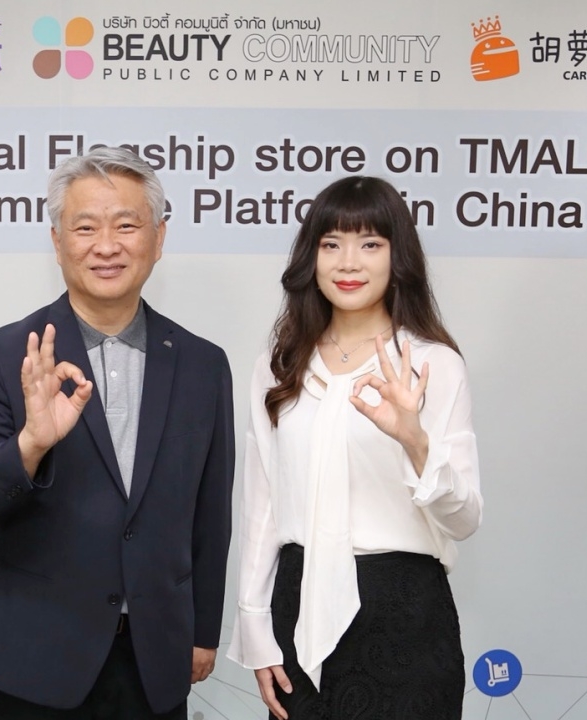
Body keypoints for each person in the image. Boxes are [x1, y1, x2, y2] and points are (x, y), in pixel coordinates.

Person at [0, 146, 235, 719]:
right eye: (85, 228)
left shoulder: (202, 364)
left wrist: (203, 629)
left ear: (159, 236)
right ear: (58, 242)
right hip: (38, 655)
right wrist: (30, 444)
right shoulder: (7, 353)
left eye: (126, 225)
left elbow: (211, 511)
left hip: (156, 654)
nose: (106, 246)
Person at [227, 176, 483, 719]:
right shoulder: (280, 365)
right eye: (331, 244)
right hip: (298, 604)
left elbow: (463, 520)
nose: (349, 263)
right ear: (311, 258)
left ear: (397, 257)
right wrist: (254, 624)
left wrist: (414, 439)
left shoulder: (432, 364)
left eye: (370, 244)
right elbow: (262, 501)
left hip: (403, 613)